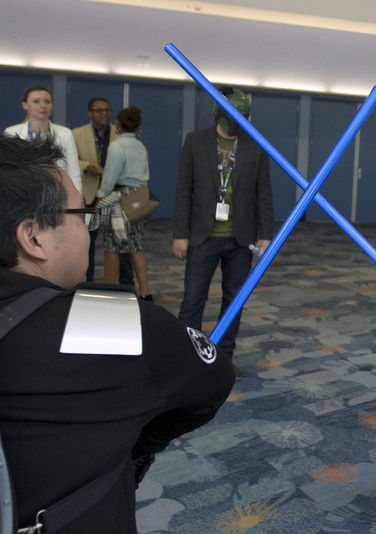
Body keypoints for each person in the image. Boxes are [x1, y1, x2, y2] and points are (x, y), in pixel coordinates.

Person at [0, 134, 235, 532]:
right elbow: (212, 382)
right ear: (34, 237)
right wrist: (129, 448)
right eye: (80, 215)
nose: (87, 228)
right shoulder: (114, 326)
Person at [172, 86, 273, 369]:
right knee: (193, 300)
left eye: (245, 115)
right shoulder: (196, 142)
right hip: (203, 237)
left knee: (234, 303)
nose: (241, 121)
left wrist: (266, 236)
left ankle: (224, 359)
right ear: (221, 114)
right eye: (236, 115)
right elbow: (184, 190)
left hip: (241, 239)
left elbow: (263, 194)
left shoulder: (255, 146)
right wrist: (180, 234)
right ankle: (186, 359)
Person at [72, 97, 134, 286]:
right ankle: (86, 280)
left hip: (116, 195)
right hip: (90, 195)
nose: (104, 114)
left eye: (107, 110)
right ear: (90, 113)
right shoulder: (77, 134)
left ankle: (125, 282)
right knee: (87, 239)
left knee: (121, 239)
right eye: (99, 111)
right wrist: (87, 166)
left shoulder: (120, 133)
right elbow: (71, 159)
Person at [95, 106, 153, 299]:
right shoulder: (140, 146)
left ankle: (110, 289)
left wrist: (100, 197)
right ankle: (145, 291)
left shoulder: (117, 146)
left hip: (120, 197)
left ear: (118, 124)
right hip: (139, 197)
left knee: (112, 247)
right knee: (135, 246)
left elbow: (110, 178)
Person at [4, 85, 81, 193]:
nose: (43, 106)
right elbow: (7, 171)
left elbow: (74, 172)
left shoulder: (65, 134)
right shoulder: (11, 132)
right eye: (36, 101)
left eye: (47, 101)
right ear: (25, 105)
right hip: (22, 195)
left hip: (56, 194)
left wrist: (77, 203)